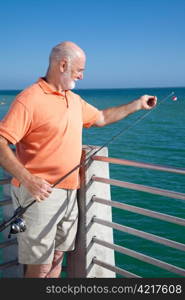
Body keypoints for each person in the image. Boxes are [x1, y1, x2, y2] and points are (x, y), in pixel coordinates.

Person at [0, 41, 157, 278]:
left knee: (56, 258)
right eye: (79, 71)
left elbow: (102, 117)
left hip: (69, 192)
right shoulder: (28, 99)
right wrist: (27, 178)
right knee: (39, 265)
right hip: (38, 194)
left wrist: (137, 104)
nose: (82, 77)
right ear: (63, 65)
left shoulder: (73, 100)